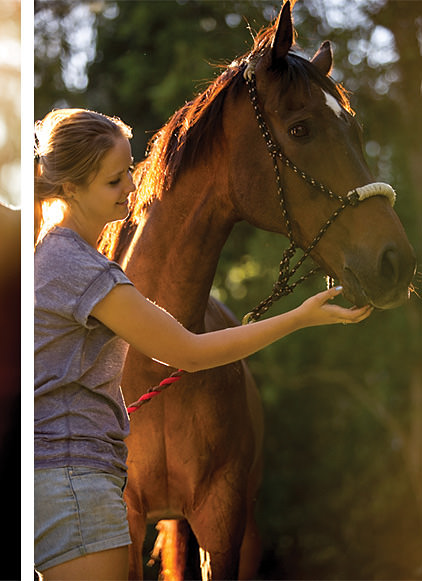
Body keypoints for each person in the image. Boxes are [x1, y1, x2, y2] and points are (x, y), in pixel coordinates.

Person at [33, 109, 373, 580]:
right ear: (70, 188)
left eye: (130, 171)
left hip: (64, 479)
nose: (131, 189)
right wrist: (300, 317)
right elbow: (188, 352)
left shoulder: (54, 255)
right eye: (114, 181)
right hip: (75, 485)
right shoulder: (82, 268)